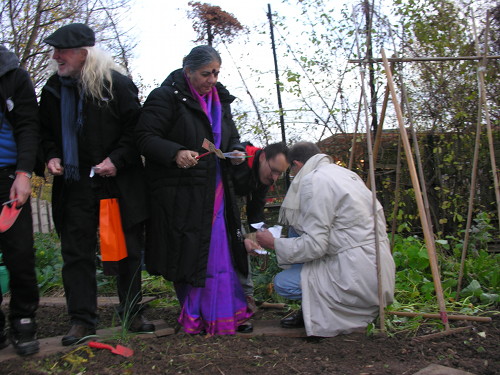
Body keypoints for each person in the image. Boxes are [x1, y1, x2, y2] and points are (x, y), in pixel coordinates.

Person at [39, 23, 154, 346]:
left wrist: (116, 159)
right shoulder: (53, 89)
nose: (56, 56)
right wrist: (50, 156)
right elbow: (44, 132)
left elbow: (137, 130)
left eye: (62, 50)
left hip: (115, 184)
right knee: (76, 253)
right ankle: (81, 320)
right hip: (74, 186)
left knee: (127, 250)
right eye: (55, 50)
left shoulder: (116, 84)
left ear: (83, 53)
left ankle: (132, 312)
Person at [136, 45, 253, 335]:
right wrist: (175, 152)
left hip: (216, 191)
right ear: (188, 71)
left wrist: (236, 151)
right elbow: (143, 137)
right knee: (191, 252)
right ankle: (196, 314)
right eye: (206, 73)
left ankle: (226, 314)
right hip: (180, 194)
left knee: (220, 251)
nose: (212, 79)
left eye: (216, 73)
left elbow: (232, 137)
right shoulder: (165, 98)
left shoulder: (221, 102)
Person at [248, 142, 395, 337]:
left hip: (355, 276)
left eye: (290, 169)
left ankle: (321, 311)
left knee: (283, 282)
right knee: (295, 230)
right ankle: (312, 309)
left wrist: (274, 243)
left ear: (297, 165)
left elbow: (316, 246)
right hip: (379, 272)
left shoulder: (314, 181)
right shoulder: (346, 174)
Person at [0, 45, 40, 356]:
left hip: (9, 177)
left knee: (20, 253)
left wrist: (24, 172)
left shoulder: (14, 74)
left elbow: (28, 125)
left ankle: (24, 317)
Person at [232, 142, 289, 311]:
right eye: (274, 170)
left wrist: (258, 233)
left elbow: (256, 208)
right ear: (263, 157)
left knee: (244, 244)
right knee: (237, 241)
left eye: (280, 173)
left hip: (232, 207)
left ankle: (246, 296)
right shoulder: (240, 159)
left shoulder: (264, 177)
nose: (275, 178)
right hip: (215, 206)